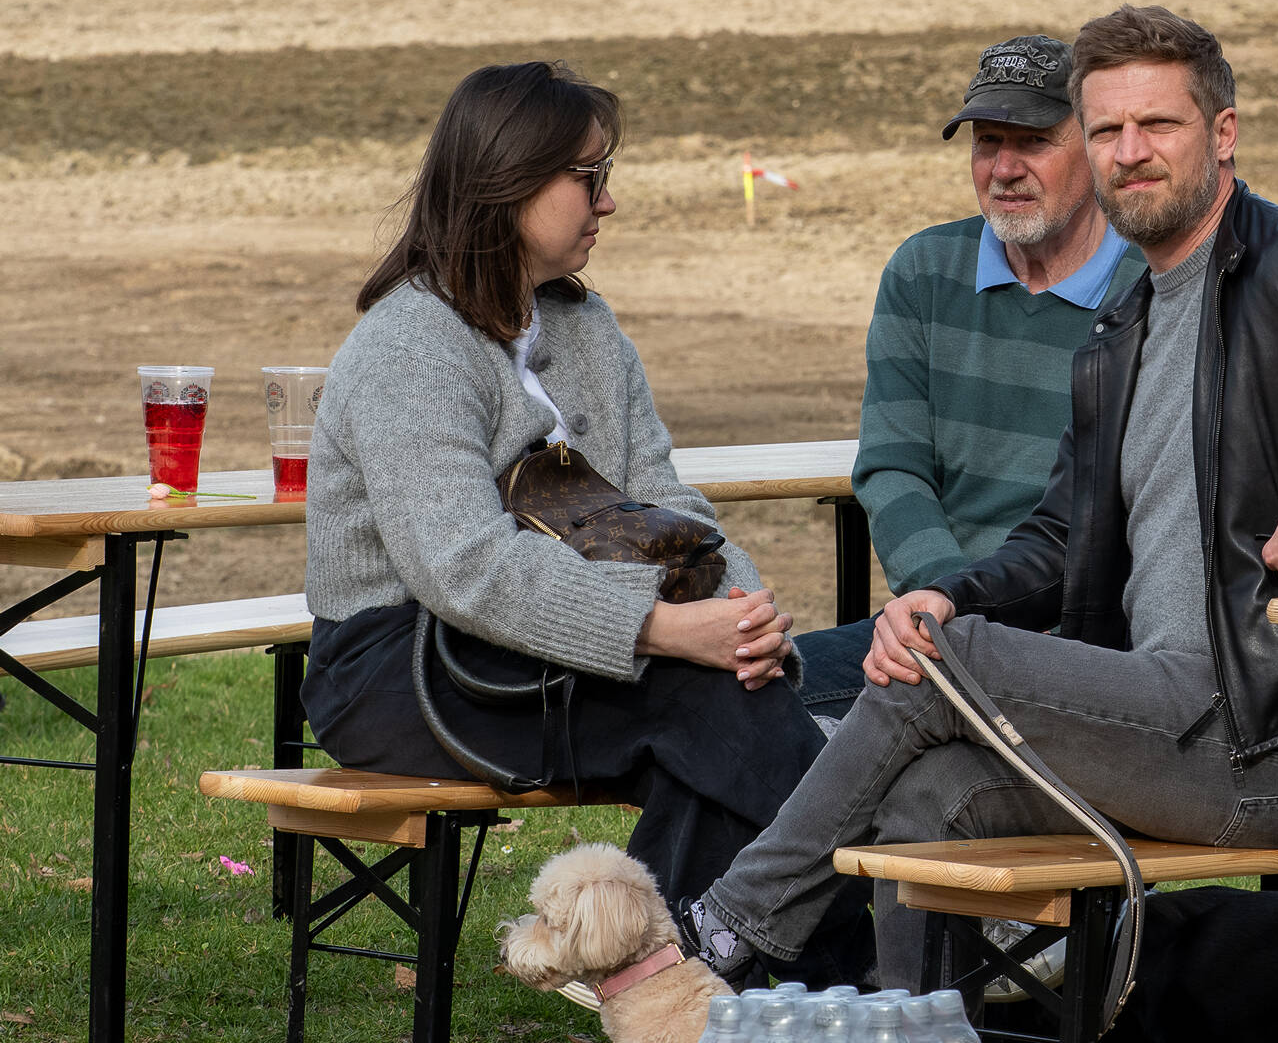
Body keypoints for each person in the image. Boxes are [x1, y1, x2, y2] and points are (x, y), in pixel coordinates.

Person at [672, 4, 1278, 993]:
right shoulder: (1123, 326)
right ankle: (928, 1021)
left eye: (1158, 124)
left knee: (946, 663)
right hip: (1164, 717)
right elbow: (1060, 536)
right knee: (931, 791)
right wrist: (949, 593)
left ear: (1222, 133)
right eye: (1107, 130)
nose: (1130, 152)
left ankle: (724, 935)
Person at [300, 61, 871, 987]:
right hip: (394, 665)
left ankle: (691, 989)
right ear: (510, 182)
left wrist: (740, 615)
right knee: (706, 706)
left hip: (536, 644)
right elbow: (466, 569)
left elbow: (671, 509)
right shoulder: (409, 347)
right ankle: (855, 980)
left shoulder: (586, 326)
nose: (608, 202)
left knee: (723, 719)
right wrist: (667, 631)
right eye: (590, 177)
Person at [791, 35, 1145, 722]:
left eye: (1033, 141)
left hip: (1088, 642)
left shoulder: (1151, 285)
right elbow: (893, 468)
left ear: (1095, 146)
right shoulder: (924, 271)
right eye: (987, 142)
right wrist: (947, 604)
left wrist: (975, 615)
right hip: (940, 620)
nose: (1004, 169)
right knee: (744, 698)